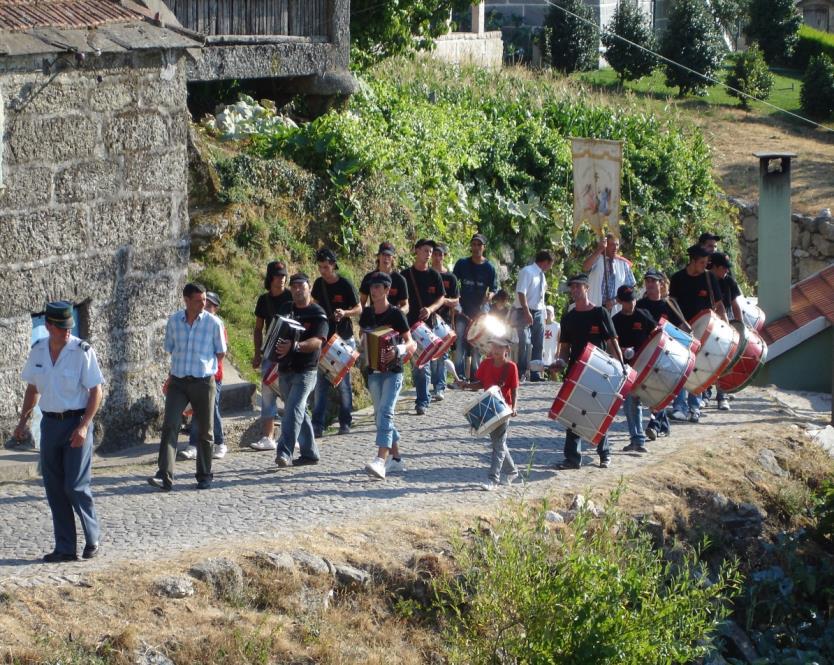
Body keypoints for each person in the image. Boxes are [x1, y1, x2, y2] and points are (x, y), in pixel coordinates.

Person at [15, 302, 103, 562]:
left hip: (76, 423)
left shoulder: (82, 351)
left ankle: (92, 538)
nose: (67, 331)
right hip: (50, 425)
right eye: (61, 327)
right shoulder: (38, 350)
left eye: (69, 327)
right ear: (48, 326)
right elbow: (33, 389)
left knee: (75, 485)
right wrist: (22, 423)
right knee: (54, 488)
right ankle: (65, 547)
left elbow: (96, 391)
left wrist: (85, 426)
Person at [149, 283, 226, 492]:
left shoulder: (213, 323)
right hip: (178, 382)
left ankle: (204, 475)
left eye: (204, 300)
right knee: (170, 425)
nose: (203, 304)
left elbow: (220, 352)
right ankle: (164, 474)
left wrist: (206, 367)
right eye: (199, 300)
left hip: (203, 382)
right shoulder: (174, 321)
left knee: (205, 430)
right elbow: (170, 348)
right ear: (186, 300)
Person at [550, 274, 624, 470]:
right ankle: (572, 458)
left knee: (598, 412)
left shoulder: (600, 313)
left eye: (578, 287)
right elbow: (565, 349)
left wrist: (621, 369)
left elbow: (612, 342)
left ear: (586, 288)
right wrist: (560, 362)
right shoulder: (568, 318)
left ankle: (604, 454)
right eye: (572, 288)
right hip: (575, 371)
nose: (574, 291)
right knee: (572, 414)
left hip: (599, 372)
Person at [360, 272, 418, 480]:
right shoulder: (366, 314)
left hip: (393, 372)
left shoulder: (396, 314)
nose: (373, 291)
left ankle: (380, 461)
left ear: (386, 289)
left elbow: (412, 343)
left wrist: (399, 350)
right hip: (373, 372)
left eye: (377, 287)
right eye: (371, 287)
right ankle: (397, 459)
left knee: (385, 412)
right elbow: (364, 338)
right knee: (380, 415)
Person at [273, 273, 329, 467]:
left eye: (301, 286)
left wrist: (295, 346)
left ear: (309, 287)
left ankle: (284, 452)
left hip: (306, 370)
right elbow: (275, 331)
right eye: (294, 286)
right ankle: (310, 453)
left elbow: (318, 342)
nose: (297, 289)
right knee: (298, 411)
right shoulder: (285, 309)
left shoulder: (318, 313)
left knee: (293, 409)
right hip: (285, 368)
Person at [668, 245, 727, 424]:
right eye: (702, 263)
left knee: (697, 367)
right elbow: (672, 304)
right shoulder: (677, 278)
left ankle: (695, 407)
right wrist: (679, 325)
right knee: (681, 367)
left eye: (706, 263)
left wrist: (726, 325)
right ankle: (679, 407)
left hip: (704, 331)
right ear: (692, 261)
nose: (705, 266)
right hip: (681, 329)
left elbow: (719, 304)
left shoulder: (709, 278)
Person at [457, 337, 521, 491]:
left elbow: (514, 388)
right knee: (499, 444)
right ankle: (512, 471)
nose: (497, 350)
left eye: (501, 347)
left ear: (507, 350)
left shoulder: (511, 367)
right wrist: (466, 385)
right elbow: (480, 383)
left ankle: (493, 479)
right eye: (495, 346)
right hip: (488, 407)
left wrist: (514, 407)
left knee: (498, 444)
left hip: (503, 409)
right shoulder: (486, 364)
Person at [311, 248, 361, 437]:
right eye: (320, 267)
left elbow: (359, 308)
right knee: (321, 384)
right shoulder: (318, 284)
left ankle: (345, 422)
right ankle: (318, 425)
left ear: (333, 265)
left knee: (343, 383)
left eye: (325, 267)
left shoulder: (345, 284)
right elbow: (314, 303)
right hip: (325, 339)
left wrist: (345, 313)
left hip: (344, 339)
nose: (322, 271)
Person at [400, 239, 446, 415]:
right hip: (407, 326)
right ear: (417, 251)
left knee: (421, 364)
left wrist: (430, 309)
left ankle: (422, 401)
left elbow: (441, 297)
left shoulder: (434, 276)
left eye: (430, 251)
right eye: (425, 250)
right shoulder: (405, 275)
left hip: (426, 327)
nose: (428, 254)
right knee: (410, 364)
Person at [635, 269, 682, 439]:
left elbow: (680, 330)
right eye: (647, 281)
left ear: (661, 284)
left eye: (653, 281)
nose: (649, 284)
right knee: (648, 390)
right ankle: (663, 425)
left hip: (665, 354)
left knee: (657, 390)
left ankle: (654, 424)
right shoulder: (640, 305)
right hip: (645, 353)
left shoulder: (668, 305)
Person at [251, 260, 292, 452]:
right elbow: (258, 329)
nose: (281, 279)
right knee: (267, 394)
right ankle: (267, 437)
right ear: (270, 278)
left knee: (291, 394)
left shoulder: (292, 297)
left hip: (291, 353)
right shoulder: (263, 300)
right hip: (269, 353)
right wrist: (257, 353)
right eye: (277, 276)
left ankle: (292, 435)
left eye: (283, 275)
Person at [181, 291, 228, 460]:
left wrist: (209, 368)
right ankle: (193, 445)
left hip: (214, 376)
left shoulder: (217, 325)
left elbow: (221, 352)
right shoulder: (195, 323)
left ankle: (220, 443)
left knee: (211, 409)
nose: (205, 308)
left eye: (209, 306)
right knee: (197, 410)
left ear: (215, 309)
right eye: (204, 304)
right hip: (195, 376)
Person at [612, 285, 657, 454]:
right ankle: (637, 439)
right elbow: (611, 345)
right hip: (628, 368)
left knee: (657, 398)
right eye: (626, 301)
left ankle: (660, 425)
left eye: (632, 300)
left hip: (647, 365)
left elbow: (657, 335)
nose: (630, 304)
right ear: (619, 302)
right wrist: (622, 352)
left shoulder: (643, 315)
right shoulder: (615, 321)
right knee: (631, 402)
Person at [453, 233, 498, 380]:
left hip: (480, 312)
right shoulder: (462, 264)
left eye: (479, 245)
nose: (476, 247)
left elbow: (494, 289)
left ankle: (476, 377)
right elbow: (453, 283)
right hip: (462, 310)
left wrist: (490, 296)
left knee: (477, 344)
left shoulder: (489, 268)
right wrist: (456, 301)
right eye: (474, 244)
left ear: (484, 247)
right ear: (471, 246)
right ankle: (458, 376)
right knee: (459, 341)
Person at [512, 250, 554, 382]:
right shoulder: (527, 271)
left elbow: (541, 295)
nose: (550, 267)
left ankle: (535, 373)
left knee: (538, 342)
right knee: (524, 341)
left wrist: (543, 312)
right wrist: (526, 311)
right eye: (551, 264)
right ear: (546, 262)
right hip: (523, 310)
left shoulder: (542, 275)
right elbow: (521, 292)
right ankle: (521, 371)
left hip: (538, 311)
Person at [709, 251, 742, 412]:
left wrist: (740, 327)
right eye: (723, 268)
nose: (726, 271)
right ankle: (705, 393)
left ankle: (722, 395)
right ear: (714, 267)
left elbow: (735, 305)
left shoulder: (729, 282)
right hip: (709, 324)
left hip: (726, 322)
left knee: (724, 360)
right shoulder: (705, 281)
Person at [430, 242, 460, 402]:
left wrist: (442, 301)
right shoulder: (426, 275)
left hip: (445, 321)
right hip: (427, 320)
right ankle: (434, 384)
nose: (437, 257)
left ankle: (439, 387)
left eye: (440, 254)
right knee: (429, 353)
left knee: (442, 354)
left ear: (444, 256)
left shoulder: (450, 278)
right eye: (435, 254)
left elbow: (456, 301)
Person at [582, 234, 636, 313]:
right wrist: (599, 249)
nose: (615, 248)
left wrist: (615, 300)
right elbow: (585, 267)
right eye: (611, 245)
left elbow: (630, 287)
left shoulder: (623, 264)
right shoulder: (597, 258)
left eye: (617, 245)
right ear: (605, 246)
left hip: (614, 310)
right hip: (595, 307)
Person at [359, 242, 409, 312]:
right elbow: (361, 303)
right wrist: (367, 316)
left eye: (388, 255)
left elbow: (406, 306)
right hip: (375, 320)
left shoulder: (400, 279)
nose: (386, 258)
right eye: (383, 254)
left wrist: (397, 314)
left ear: (393, 258)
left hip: (392, 321)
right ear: (378, 256)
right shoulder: (369, 277)